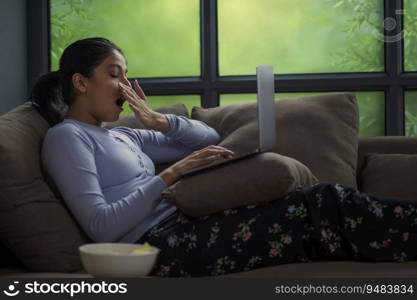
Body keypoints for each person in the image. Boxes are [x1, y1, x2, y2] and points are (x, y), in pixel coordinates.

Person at [33, 38, 417, 278]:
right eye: (114, 74)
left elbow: (208, 137)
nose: (126, 86)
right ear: (80, 82)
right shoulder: (65, 138)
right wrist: (170, 177)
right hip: (159, 247)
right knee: (317, 206)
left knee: (320, 209)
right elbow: (101, 227)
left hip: (187, 224)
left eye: (127, 75)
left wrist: (161, 121)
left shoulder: (123, 134)